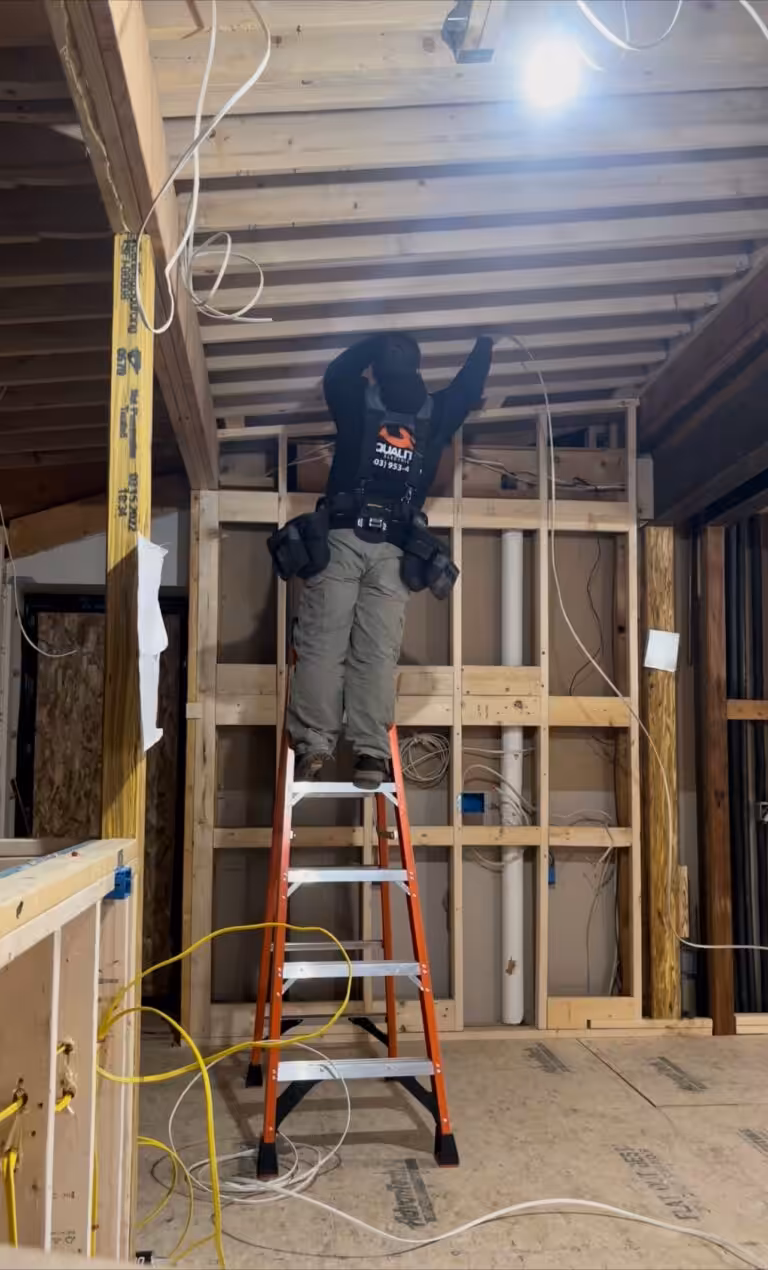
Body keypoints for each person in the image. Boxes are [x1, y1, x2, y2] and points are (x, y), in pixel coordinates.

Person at [285, 331, 493, 788]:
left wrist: (373, 342)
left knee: (322, 646)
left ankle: (314, 745)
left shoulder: (356, 400)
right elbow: (469, 386)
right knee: (376, 654)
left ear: (376, 370)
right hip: (396, 549)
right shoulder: (436, 412)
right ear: (418, 368)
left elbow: (336, 372)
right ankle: (370, 755)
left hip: (341, 539)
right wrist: (484, 343)